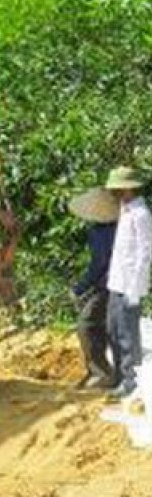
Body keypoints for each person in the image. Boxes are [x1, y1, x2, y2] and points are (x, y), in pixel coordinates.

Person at [104, 166, 152, 400]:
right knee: (113, 329)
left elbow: (145, 251)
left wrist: (134, 287)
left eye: (117, 189)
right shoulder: (125, 210)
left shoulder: (141, 213)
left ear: (129, 188)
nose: (114, 193)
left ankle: (132, 381)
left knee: (127, 334)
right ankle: (121, 376)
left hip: (129, 284)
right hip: (117, 281)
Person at [68, 187, 118, 390]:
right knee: (102, 326)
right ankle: (98, 371)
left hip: (108, 284)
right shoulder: (120, 226)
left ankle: (101, 373)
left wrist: (80, 288)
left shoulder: (98, 231)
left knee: (86, 324)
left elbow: (99, 263)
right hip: (118, 282)